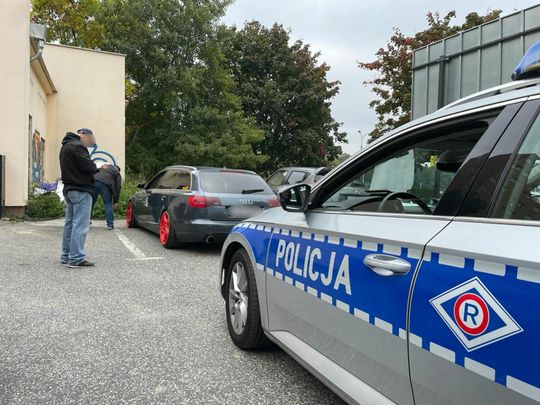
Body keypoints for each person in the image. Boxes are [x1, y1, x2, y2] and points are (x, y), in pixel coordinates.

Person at [60, 128, 105, 268]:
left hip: (69, 189)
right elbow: (89, 167)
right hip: (81, 190)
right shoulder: (78, 146)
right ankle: (76, 258)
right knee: (80, 225)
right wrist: (99, 166)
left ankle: (66, 255)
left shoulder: (66, 146)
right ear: (85, 136)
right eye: (90, 141)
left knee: (70, 224)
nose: (89, 144)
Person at [94, 165, 122, 230]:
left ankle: (86, 222)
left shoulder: (103, 167)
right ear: (118, 170)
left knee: (90, 203)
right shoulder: (117, 173)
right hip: (106, 185)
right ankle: (110, 224)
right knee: (108, 204)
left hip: (94, 181)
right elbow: (118, 187)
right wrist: (115, 200)